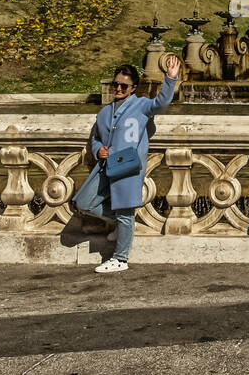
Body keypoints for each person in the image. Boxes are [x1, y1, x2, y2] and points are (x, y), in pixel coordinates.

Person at [74, 55, 181, 273]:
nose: (119, 88)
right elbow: (95, 138)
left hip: (128, 167)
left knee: (125, 212)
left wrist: (170, 79)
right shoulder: (104, 112)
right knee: (84, 203)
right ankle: (124, 226)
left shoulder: (141, 105)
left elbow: (161, 103)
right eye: (116, 84)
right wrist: (97, 149)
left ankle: (120, 259)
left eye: (124, 85)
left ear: (133, 88)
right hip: (106, 166)